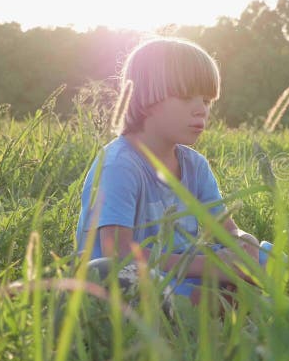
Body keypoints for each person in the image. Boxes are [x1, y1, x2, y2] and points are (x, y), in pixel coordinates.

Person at [75, 37, 261, 304]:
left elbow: (226, 230)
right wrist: (211, 268)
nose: (201, 110)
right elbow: (116, 251)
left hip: (184, 267)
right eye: (187, 97)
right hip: (122, 279)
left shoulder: (195, 166)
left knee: (278, 264)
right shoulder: (120, 165)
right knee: (204, 300)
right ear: (146, 98)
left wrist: (244, 244)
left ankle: (243, 294)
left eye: (207, 100)